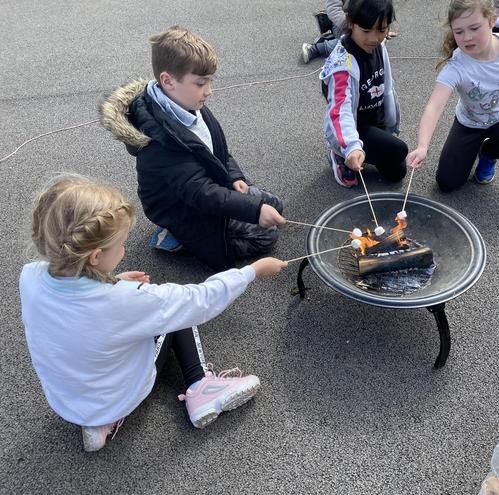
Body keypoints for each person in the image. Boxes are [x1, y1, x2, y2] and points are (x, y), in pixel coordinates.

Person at [19, 175, 287, 452]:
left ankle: (97, 423)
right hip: (116, 397)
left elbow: (78, 310)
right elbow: (199, 300)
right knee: (175, 314)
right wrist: (252, 271)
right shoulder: (127, 301)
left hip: (68, 401)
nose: (124, 248)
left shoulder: (30, 276)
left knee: (142, 319)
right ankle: (200, 386)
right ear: (95, 257)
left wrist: (113, 282)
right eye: (121, 244)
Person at [100, 26, 285, 271]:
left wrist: (234, 176)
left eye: (209, 81)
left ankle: (235, 213)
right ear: (168, 81)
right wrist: (254, 210)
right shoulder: (160, 143)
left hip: (204, 185)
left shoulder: (186, 101)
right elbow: (201, 193)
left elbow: (216, 149)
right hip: (183, 207)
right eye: (200, 83)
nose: (209, 91)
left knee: (274, 205)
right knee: (266, 236)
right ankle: (175, 238)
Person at [406, 0, 499, 191]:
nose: (467, 37)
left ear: (492, 20)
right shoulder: (456, 66)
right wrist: (422, 146)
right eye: (459, 32)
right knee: (447, 183)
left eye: (474, 28)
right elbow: (434, 107)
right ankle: (472, 148)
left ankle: (489, 152)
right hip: (471, 123)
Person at [320, 0, 408, 188]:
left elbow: (387, 88)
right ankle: (339, 154)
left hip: (374, 120)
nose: (374, 38)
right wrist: (351, 146)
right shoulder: (342, 64)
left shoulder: (380, 47)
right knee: (400, 149)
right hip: (354, 125)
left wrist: (391, 126)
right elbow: (340, 111)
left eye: (381, 30)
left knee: (397, 172)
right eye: (366, 31)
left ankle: (364, 149)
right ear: (350, 23)